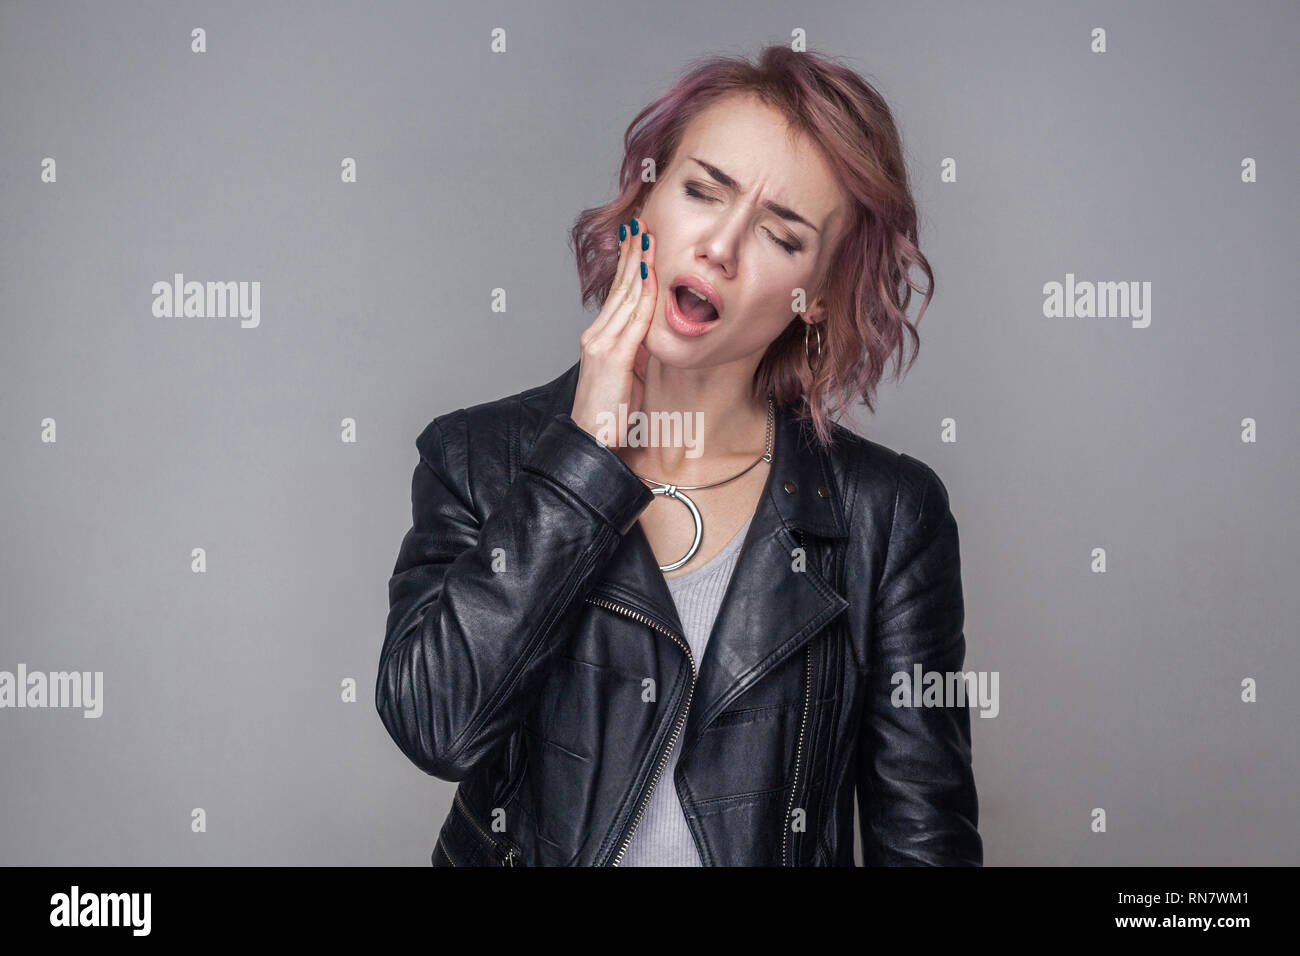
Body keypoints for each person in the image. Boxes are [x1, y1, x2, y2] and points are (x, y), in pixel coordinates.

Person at [377, 45, 982, 866]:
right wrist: (583, 461)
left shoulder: (889, 516)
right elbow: (436, 728)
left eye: (781, 235)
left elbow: (924, 842)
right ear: (644, 197)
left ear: (822, 296)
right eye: (702, 191)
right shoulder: (477, 457)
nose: (721, 249)